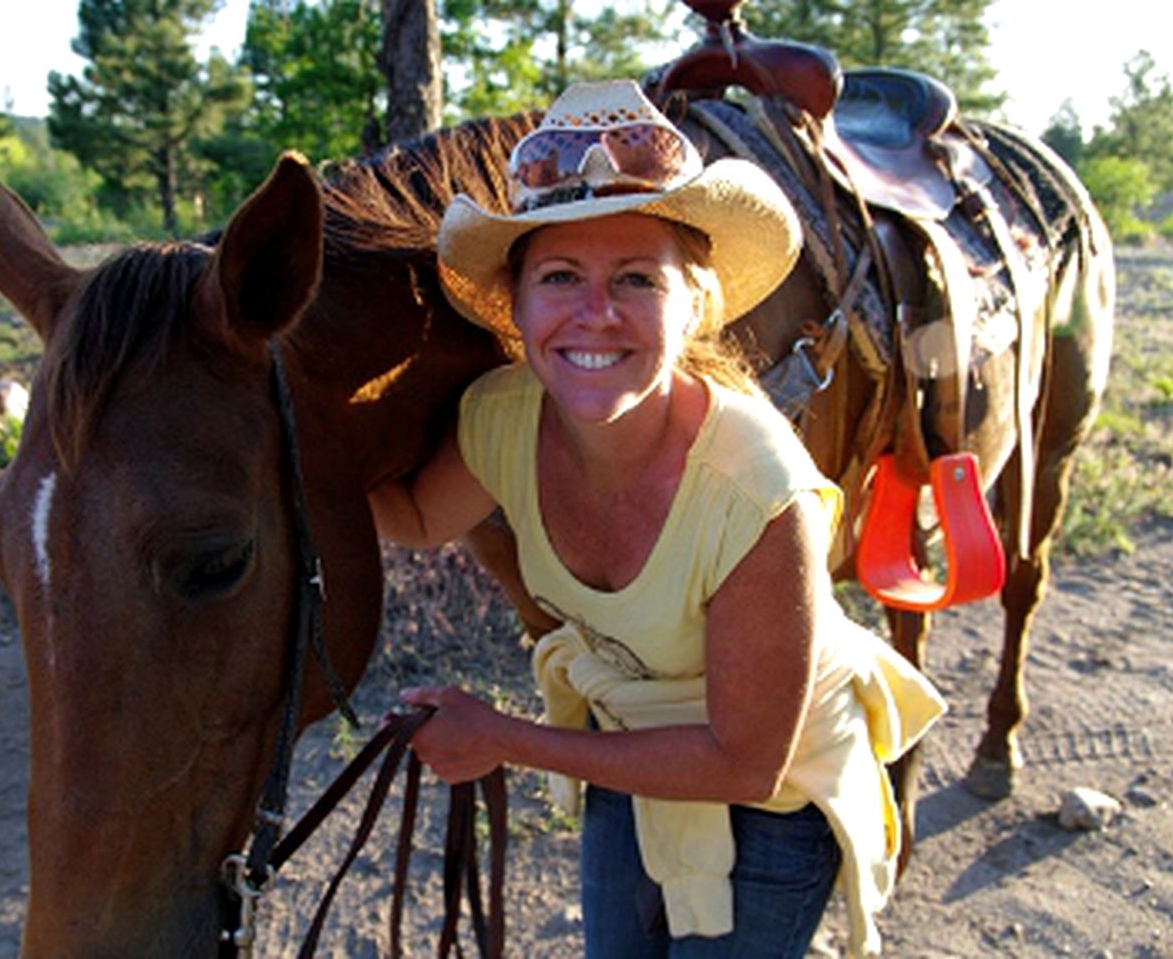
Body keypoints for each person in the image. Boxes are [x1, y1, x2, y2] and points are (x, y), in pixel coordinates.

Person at [368, 80, 946, 958]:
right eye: (559, 277)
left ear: (693, 308)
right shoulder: (501, 417)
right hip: (630, 745)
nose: (593, 312)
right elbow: (410, 515)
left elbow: (743, 760)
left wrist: (503, 739)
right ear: (518, 310)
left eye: (636, 278)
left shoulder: (754, 490)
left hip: (775, 791)